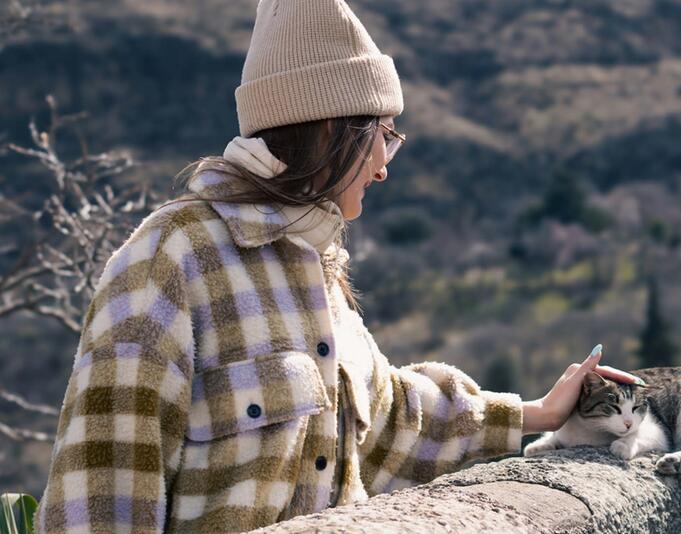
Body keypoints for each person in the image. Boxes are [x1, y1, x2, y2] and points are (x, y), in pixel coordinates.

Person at [34, 1, 641, 532]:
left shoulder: (317, 260)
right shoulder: (171, 258)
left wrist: (536, 413)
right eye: (382, 133)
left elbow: (391, 417)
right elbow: (99, 496)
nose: (384, 163)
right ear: (330, 127)